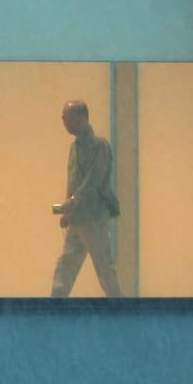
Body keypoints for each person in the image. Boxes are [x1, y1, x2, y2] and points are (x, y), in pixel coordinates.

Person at [50, 99, 124, 298]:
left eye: (68, 118)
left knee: (104, 269)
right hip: (76, 219)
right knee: (65, 266)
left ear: (82, 118)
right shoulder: (74, 148)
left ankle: (119, 306)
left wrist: (72, 202)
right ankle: (55, 304)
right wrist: (67, 210)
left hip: (93, 218)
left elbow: (93, 181)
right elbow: (72, 180)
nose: (64, 122)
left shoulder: (100, 146)